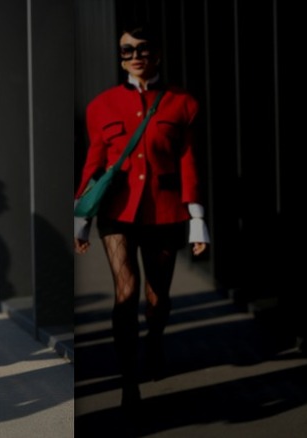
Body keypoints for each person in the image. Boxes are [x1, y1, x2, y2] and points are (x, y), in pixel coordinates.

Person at [74, 23, 210, 414]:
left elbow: (190, 165)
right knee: (125, 291)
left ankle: (154, 339)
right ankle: (128, 381)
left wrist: (198, 219)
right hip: (117, 213)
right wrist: (82, 219)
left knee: (157, 296)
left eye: (142, 49)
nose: (135, 57)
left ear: (157, 54)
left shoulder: (183, 103)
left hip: (166, 212)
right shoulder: (101, 105)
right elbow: (94, 163)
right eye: (127, 51)